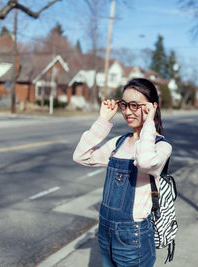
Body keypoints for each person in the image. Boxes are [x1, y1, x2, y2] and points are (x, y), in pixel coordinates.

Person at [73, 78, 172, 267]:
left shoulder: (161, 146)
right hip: (105, 231)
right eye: (124, 104)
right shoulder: (118, 143)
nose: (127, 111)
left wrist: (149, 123)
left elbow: (144, 162)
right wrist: (103, 120)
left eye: (135, 105)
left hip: (133, 237)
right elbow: (81, 156)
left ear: (152, 107)